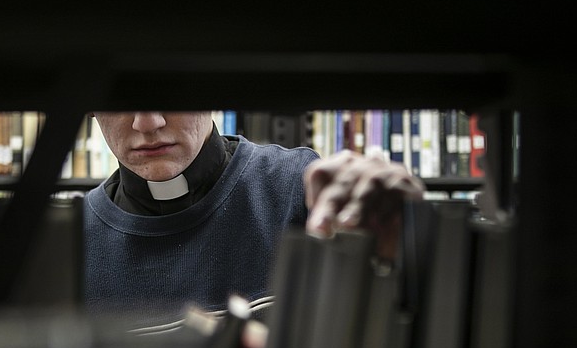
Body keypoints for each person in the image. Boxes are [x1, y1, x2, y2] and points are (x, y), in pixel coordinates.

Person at [82, 111, 424, 320]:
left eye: (170, 90)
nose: (148, 122)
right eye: (119, 97)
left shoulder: (300, 189)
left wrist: (404, 241)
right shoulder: (70, 241)